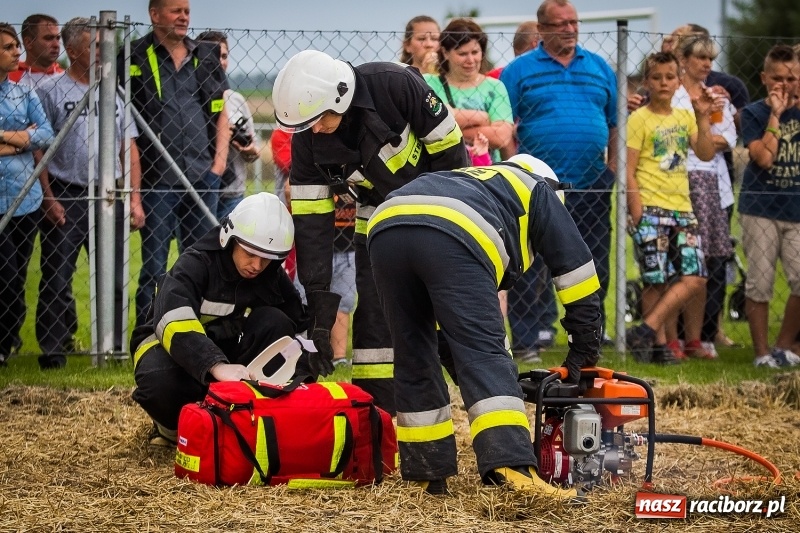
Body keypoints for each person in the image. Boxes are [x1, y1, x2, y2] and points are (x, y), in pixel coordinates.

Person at [366, 154, 599, 497]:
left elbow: (447, 339)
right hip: (455, 230)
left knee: (414, 351)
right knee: (484, 351)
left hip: (385, 225)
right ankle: (512, 469)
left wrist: (494, 381)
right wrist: (585, 346)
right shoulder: (539, 189)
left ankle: (426, 474)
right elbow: (577, 271)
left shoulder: (475, 181)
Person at [272, 49, 469, 414]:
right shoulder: (308, 137)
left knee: (454, 313)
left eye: (319, 120)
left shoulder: (394, 85)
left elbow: (452, 156)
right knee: (375, 318)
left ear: (340, 97)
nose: (313, 130)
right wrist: (319, 308)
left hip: (439, 208)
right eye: (306, 125)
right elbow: (312, 225)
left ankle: (489, 399)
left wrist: (450, 227)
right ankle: (380, 419)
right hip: (378, 216)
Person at [130, 192, 313, 445]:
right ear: (230, 238)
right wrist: (216, 366)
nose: (257, 266)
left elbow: (296, 324)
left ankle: (250, 420)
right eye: (250, 254)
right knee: (160, 380)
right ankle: (172, 431)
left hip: (224, 354)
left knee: (276, 322)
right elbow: (173, 321)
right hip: (168, 349)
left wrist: (310, 356)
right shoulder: (195, 263)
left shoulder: (267, 272)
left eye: (267, 258)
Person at [500, 0, 618, 349]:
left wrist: (611, 171)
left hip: (592, 182)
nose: (569, 29)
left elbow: (614, 124)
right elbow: (507, 126)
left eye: (573, 22)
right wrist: (515, 167)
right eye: (561, 24)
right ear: (542, 29)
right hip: (537, 186)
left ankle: (590, 332)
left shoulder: (598, 68)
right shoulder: (519, 71)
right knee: (529, 262)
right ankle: (526, 337)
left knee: (595, 260)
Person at [33, 17, 145, 369]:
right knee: (56, 275)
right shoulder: (51, 91)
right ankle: (53, 351)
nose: (102, 52)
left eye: (105, 46)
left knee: (113, 277)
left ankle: (110, 348)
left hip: (110, 193)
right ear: (72, 51)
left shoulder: (113, 91)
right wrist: (48, 196)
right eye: (95, 46)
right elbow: (40, 149)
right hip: (66, 192)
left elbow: (130, 148)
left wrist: (135, 198)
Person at [120, 0, 230, 328]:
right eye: (175, 10)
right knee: (154, 265)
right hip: (156, 180)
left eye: (187, 11)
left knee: (202, 262)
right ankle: (147, 333)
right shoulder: (133, 55)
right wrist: (135, 193)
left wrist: (218, 165)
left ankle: (196, 332)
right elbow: (122, 120)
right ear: (154, 14)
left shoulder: (206, 54)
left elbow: (222, 108)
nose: (183, 17)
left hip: (202, 177)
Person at [624, 51, 716, 363]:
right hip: (650, 207)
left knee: (696, 276)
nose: (663, 83)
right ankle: (659, 346)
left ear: (678, 80)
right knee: (655, 278)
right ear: (646, 82)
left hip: (682, 208)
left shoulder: (685, 115)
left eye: (670, 77)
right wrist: (637, 213)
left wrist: (703, 117)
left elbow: (704, 153)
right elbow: (629, 170)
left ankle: (645, 328)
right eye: (657, 77)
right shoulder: (638, 119)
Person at [669, 34, 735, 361]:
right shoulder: (674, 95)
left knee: (705, 261)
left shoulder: (716, 97)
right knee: (676, 263)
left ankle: (696, 337)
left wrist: (702, 131)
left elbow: (727, 140)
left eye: (710, 58)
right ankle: (672, 337)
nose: (707, 64)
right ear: (683, 59)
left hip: (710, 184)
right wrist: (702, 133)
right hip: (677, 180)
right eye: (700, 58)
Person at [738, 44, 800, 368]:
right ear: (764, 78)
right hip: (760, 209)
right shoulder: (753, 113)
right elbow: (763, 158)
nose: (785, 85)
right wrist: (776, 114)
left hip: (797, 211)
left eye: (791, 78)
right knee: (759, 283)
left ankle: (786, 347)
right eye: (777, 78)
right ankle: (762, 354)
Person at [0, 22, 55, 367]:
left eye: (16, 47)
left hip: (25, 199)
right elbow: (33, 135)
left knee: (16, 279)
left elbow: (47, 134)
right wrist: (22, 137)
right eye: (7, 47)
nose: (16, 53)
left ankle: (5, 345)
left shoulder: (23, 92)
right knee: (4, 277)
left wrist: (4, 138)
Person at [424, 18, 513, 163]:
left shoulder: (495, 86)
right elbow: (424, 123)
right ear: (445, 53)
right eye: (462, 54)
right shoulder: (428, 83)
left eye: (475, 52)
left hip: (484, 171)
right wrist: (482, 118)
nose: (470, 60)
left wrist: (448, 130)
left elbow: (501, 137)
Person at [196, 31, 260, 219]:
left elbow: (254, 150)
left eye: (224, 56)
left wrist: (248, 149)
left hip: (233, 194)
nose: (220, 62)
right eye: (213, 56)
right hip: (199, 192)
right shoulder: (189, 99)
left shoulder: (237, 100)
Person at [9, 14, 62, 86]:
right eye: (48, 38)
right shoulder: (9, 78)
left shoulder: (66, 78)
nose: (56, 45)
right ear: (29, 43)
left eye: (58, 38)